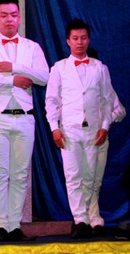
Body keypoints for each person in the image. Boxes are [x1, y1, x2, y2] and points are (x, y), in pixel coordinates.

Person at [0, 0, 49, 242]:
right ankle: (1, 226)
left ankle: (15, 225)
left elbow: (44, 77)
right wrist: (12, 80)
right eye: (4, 15)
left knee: (20, 174)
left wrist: (16, 67)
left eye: (14, 15)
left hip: (25, 117)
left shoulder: (31, 47)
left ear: (19, 18)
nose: (9, 19)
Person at [45, 19, 114, 239]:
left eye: (83, 38)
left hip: (93, 130)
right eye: (75, 38)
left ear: (89, 39)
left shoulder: (100, 68)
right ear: (68, 41)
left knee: (91, 176)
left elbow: (107, 101)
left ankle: (93, 218)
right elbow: (52, 101)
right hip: (69, 130)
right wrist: (54, 128)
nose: (80, 42)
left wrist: (104, 127)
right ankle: (80, 220)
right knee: (73, 176)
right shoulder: (59, 68)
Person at [85, 48, 126, 237]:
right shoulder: (71, 85)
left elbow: (120, 110)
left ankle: (94, 218)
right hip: (77, 138)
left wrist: (105, 123)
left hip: (99, 138)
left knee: (96, 180)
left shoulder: (105, 88)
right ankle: (83, 219)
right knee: (79, 180)